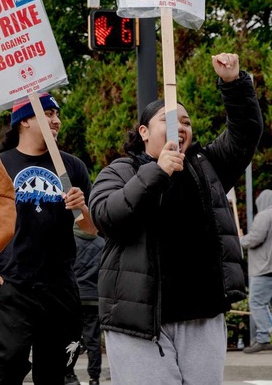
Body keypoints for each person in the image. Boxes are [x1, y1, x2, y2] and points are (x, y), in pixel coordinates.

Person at [89, 53, 262, 384]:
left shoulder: (207, 166)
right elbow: (107, 217)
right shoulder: (121, 171)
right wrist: (157, 172)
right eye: (169, 120)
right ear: (143, 131)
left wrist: (234, 84)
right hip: (141, 322)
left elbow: (245, 134)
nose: (180, 127)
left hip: (202, 315)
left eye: (186, 122)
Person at [0, 92, 96, 385]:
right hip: (12, 283)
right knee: (9, 364)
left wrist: (81, 207)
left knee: (56, 372)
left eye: (57, 115)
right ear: (25, 120)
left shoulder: (72, 167)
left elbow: (91, 228)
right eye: (48, 114)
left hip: (60, 284)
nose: (56, 121)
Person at [65, 223, 105, 385]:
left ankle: (69, 374)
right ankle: (94, 378)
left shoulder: (70, 242)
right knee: (93, 339)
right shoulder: (102, 243)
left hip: (74, 297)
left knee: (70, 338)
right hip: (95, 298)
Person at [241, 189, 272, 353]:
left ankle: (263, 337)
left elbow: (255, 239)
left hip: (263, 268)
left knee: (257, 303)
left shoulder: (265, 215)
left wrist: (240, 240)